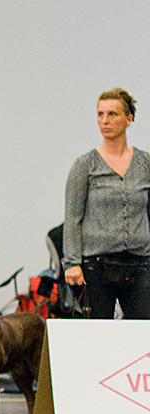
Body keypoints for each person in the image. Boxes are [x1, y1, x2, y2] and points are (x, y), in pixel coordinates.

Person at [63, 88, 150, 319]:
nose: (105, 121)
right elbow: (73, 217)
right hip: (97, 267)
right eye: (100, 114)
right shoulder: (85, 165)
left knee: (142, 335)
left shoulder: (145, 164)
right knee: (97, 335)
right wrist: (71, 263)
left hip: (140, 263)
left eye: (112, 114)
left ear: (129, 118)